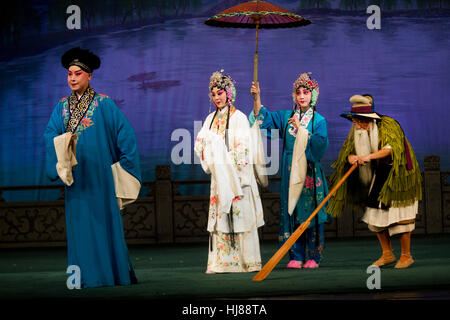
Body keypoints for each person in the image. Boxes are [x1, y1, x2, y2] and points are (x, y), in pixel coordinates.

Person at [44, 47, 142, 287]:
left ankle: (111, 275)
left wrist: (123, 171)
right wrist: (62, 147)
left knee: (103, 223)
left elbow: (126, 136)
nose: (73, 78)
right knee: (79, 228)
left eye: (78, 73)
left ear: (89, 76)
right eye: (69, 74)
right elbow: (50, 134)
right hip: (76, 179)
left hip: (100, 178)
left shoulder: (104, 105)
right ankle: (82, 278)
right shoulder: (62, 108)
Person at [326, 94, 422, 269]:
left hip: (399, 174)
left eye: (358, 121)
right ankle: (387, 254)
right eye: (354, 122)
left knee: (400, 215)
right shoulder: (356, 132)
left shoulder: (388, 125)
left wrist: (367, 157)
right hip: (380, 174)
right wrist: (351, 158)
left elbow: (391, 149)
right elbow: (347, 152)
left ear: (366, 120)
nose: (356, 125)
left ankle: (406, 255)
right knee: (375, 213)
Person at [250, 73, 330, 269]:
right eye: (298, 92)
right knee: (291, 210)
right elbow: (264, 118)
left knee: (310, 212)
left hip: (309, 170)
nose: (302, 96)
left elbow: (319, 146)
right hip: (289, 169)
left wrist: (303, 132)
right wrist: (257, 97)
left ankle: (314, 256)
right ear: (294, 96)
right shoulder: (287, 116)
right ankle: (295, 255)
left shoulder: (318, 120)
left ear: (313, 95)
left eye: (306, 92)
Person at [194, 70, 264, 274]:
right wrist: (211, 151)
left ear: (229, 93)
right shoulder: (209, 119)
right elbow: (200, 144)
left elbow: (243, 150)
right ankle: (221, 263)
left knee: (239, 216)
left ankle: (246, 262)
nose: (217, 98)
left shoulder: (240, 118)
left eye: (220, 93)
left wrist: (224, 159)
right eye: (214, 94)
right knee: (221, 218)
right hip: (219, 178)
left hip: (236, 178)